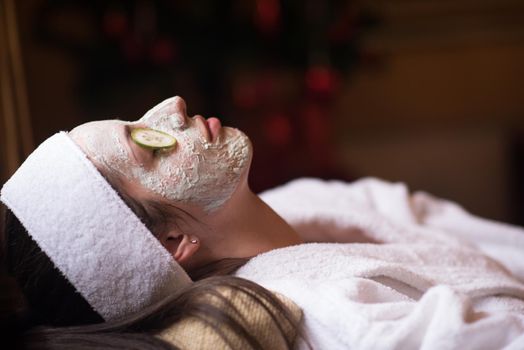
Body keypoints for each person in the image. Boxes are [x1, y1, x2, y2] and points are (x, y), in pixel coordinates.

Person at [2, 96, 524, 349]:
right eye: (146, 145)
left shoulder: (311, 199)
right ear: (172, 242)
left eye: (140, 118)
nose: (173, 106)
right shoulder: (334, 315)